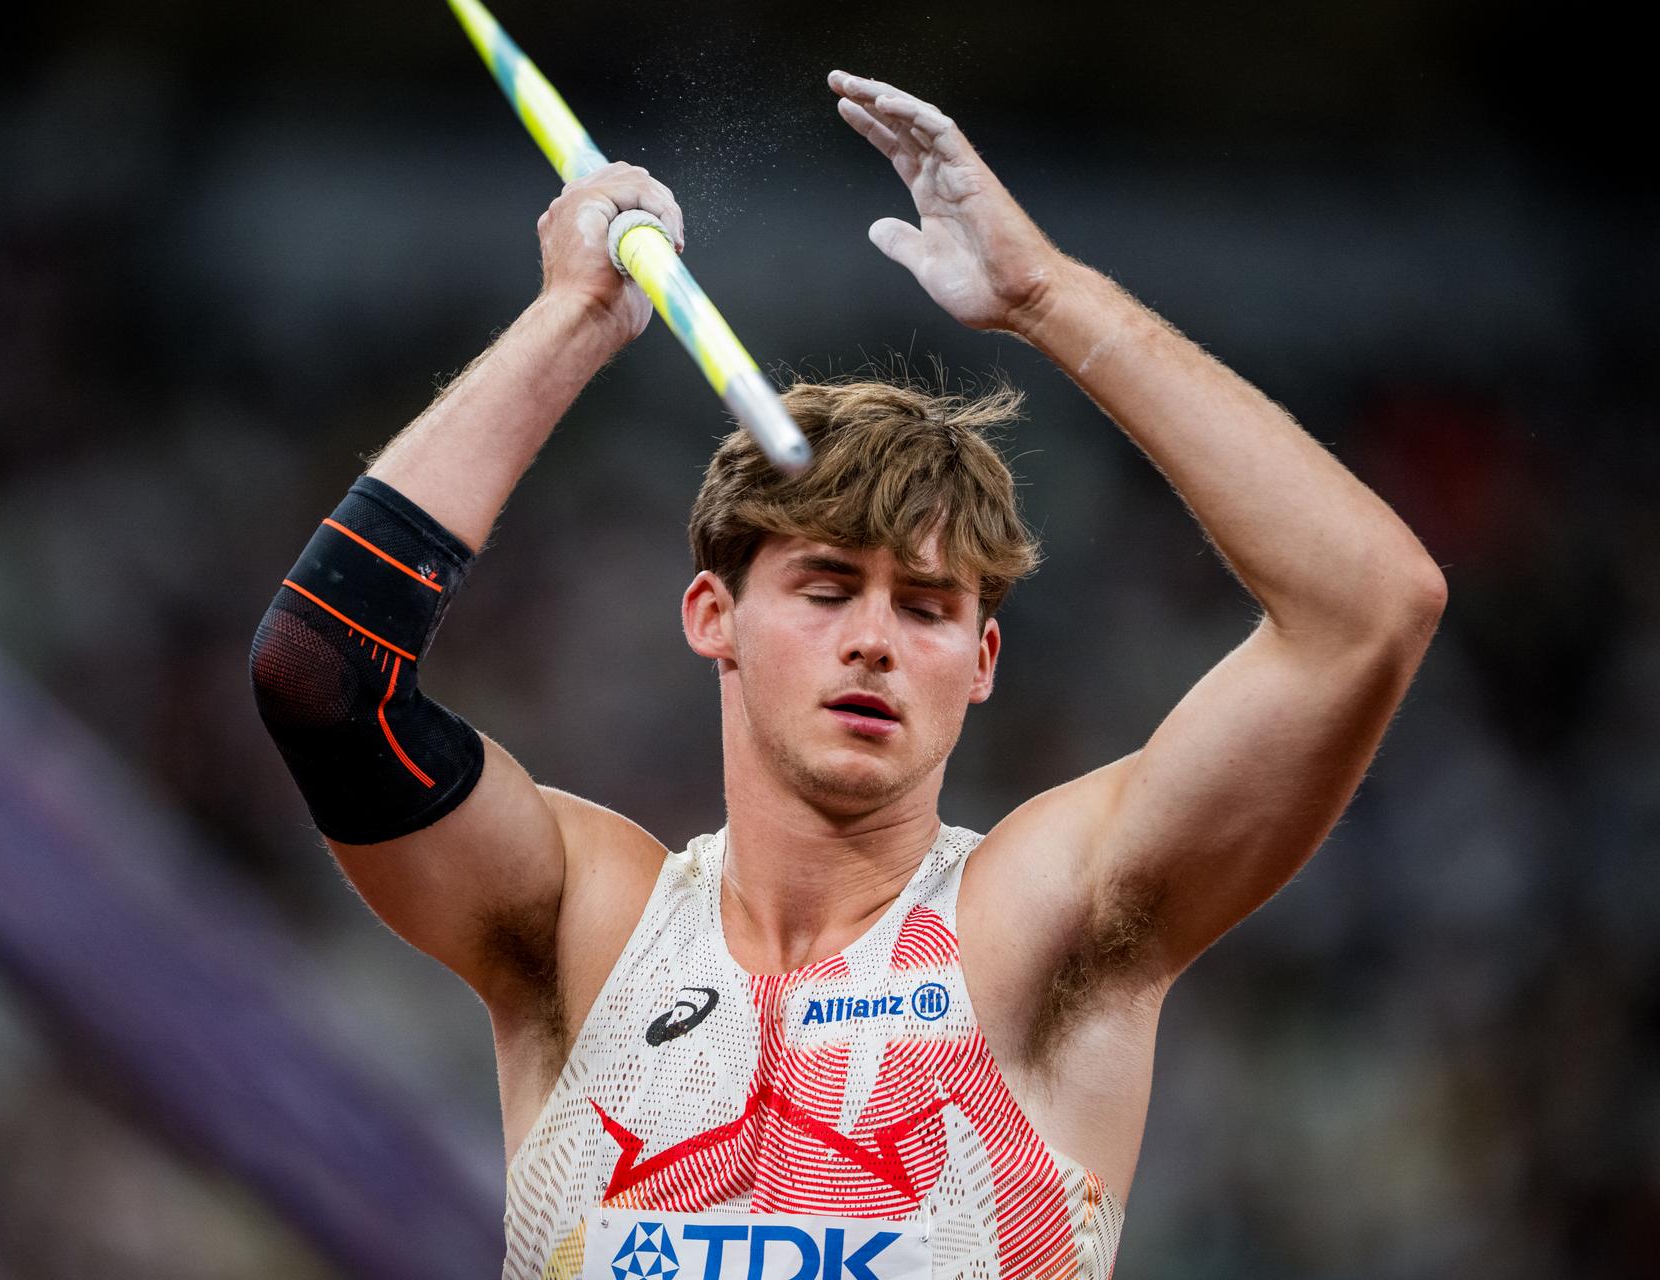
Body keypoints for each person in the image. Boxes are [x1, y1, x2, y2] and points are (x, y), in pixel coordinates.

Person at [250, 70, 1445, 1280]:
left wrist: (1048, 296)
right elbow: (325, 680)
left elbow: (1367, 608)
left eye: (928, 608)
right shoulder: (589, 925)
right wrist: (571, 323)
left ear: (982, 661)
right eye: (827, 590)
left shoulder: (1036, 926)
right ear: (712, 615)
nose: (875, 637)